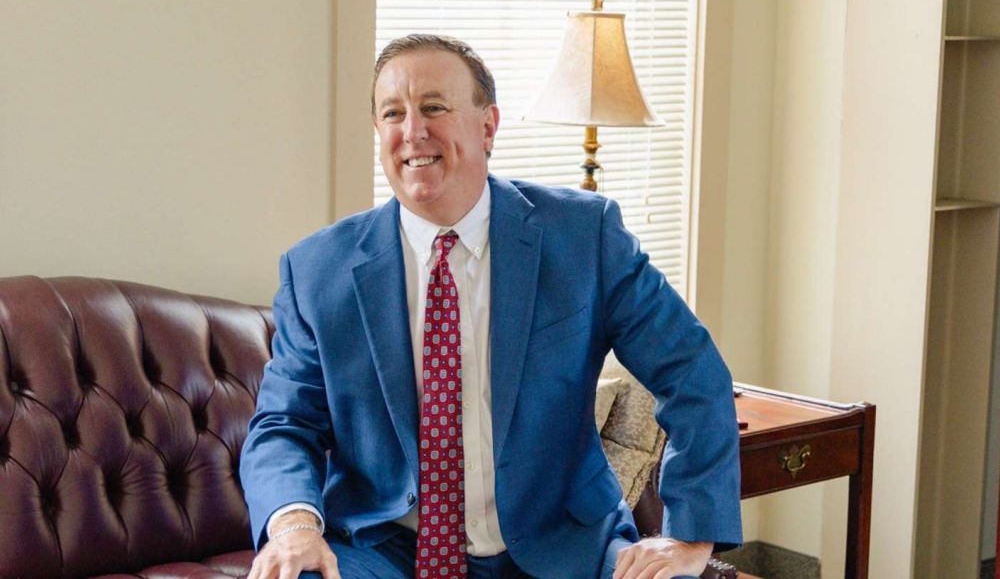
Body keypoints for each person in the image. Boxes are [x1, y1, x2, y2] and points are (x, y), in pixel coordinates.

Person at [240, 34, 741, 579]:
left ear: (488, 125)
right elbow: (285, 423)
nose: (413, 131)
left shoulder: (583, 237)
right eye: (393, 113)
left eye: (434, 107)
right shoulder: (318, 270)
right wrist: (294, 527)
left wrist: (690, 536)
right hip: (386, 551)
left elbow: (691, 371)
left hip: (563, 544)